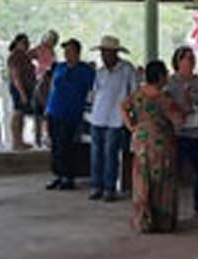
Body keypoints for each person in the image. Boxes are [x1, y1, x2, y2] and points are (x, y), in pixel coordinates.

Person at [120, 60, 185, 233]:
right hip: (160, 143)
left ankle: (142, 220)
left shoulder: (138, 94)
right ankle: (161, 221)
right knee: (161, 180)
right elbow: (178, 120)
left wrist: (132, 127)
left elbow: (123, 107)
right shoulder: (163, 98)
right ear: (160, 77)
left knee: (142, 179)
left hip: (141, 142)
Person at [89, 36, 137, 202]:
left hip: (116, 119)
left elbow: (134, 93)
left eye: (106, 52)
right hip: (98, 116)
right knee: (96, 154)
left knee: (111, 154)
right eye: (102, 52)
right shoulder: (100, 72)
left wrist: (130, 115)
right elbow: (95, 93)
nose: (103, 55)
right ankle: (96, 185)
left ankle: (109, 187)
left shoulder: (127, 69)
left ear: (115, 53)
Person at [44, 39, 95, 191]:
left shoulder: (86, 70)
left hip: (71, 113)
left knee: (66, 145)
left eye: (70, 51)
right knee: (55, 145)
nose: (67, 54)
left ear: (77, 52)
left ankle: (68, 176)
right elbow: (53, 88)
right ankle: (58, 175)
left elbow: (94, 89)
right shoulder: (59, 67)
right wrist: (47, 109)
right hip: (55, 110)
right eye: (65, 51)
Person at [165, 46, 198, 215]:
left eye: (193, 58)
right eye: (188, 58)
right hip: (177, 131)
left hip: (196, 130)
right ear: (178, 61)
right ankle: (168, 206)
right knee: (173, 171)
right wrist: (179, 108)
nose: (191, 61)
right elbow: (164, 102)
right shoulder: (171, 82)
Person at [30, 29, 59, 148]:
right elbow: (28, 56)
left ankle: (46, 137)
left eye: (54, 40)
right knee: (39, 112)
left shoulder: (52, 51)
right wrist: (35, 69)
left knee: (47, 113)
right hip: (41, 81)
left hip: (49, 81)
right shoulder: (39, 48)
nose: (51, 41)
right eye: (50, 38)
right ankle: (38, 139)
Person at [7, 33, 36, 151]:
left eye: (27, 42)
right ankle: (16, 141)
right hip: (19, 88)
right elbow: (16, 76)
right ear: (17, 43)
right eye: (24, 42)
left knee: (21, 114)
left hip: (25, 87)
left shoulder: (23, 55)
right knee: (17, 114)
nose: (27, 44)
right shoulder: (15, 56)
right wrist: (22, 93)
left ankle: (20, 140)